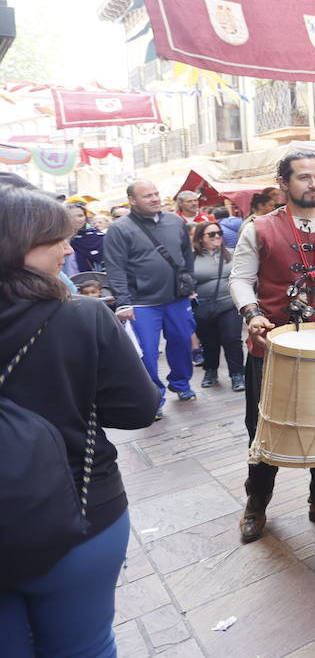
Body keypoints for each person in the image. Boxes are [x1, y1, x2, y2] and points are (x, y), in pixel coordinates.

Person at [0, 187, 160, 656]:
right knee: (84, 646)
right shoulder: (82, 316)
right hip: (81, 508)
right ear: (17, 244)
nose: (69, 250)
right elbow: (138, 408)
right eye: (56, 239)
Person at [229, 150, 315, 543]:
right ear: (283, 183)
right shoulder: (259, 228)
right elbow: (240, 279)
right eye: (304, 177)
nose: (313, 184)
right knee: (262, 426)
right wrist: (252, 313)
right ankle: (256, 503)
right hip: (272, 345)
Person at [103, 180, 198, 415]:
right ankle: (154, 397)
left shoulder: (175, 221)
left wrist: (189, 284)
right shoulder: (119, 229)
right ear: (132, 200)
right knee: (146, 352)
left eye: (156, 194)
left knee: (182, 341)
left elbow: (186, 256)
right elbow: (115, 268)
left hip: (177, 298)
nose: (155, 199)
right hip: (141, 303)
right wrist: (123, 302)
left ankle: (181, 384)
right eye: (147, 196)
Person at [190, 221, 244, 391]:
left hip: (229, 304)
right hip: (203, 306)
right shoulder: (191, 258)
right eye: (211, 234)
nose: (217, 236)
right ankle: (210, 371)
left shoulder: (232, 254)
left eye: (219, 233)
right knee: (209, 341)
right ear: (201, 238)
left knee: (232, 339)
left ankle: (237, 374)